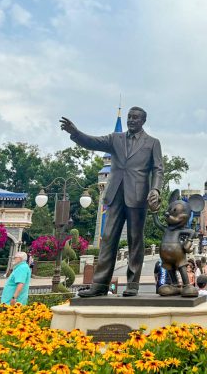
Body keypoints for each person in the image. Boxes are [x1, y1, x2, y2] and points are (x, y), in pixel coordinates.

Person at [60, 107, 164, 298]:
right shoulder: (116, 139)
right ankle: (99, 284)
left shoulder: (152, 143)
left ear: (143, 121)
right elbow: (93, 141)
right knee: (108, 238)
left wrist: (155, 190)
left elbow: (158, 170)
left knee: (135, 240)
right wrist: (75, 133)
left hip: (138, 196)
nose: (131, 120)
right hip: (115, 194)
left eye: (135, 118)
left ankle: (132, 284)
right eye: (129, 117)